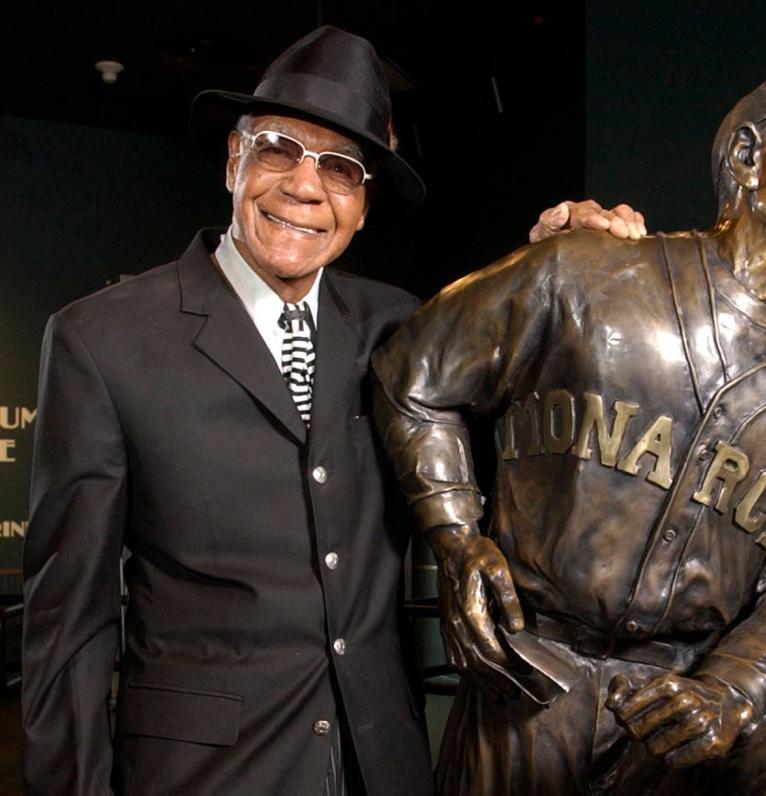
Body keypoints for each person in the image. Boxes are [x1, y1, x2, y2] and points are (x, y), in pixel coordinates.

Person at [20, 25, 641, 796]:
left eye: (341, 169)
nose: (306, 188)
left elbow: (532, 417)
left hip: (382, 769)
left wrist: (560, 267)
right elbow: (69, 628)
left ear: (362, 203)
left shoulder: (400, 326)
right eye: (278, 148)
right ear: (233, 161)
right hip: (202, 776)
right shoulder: (101, 340)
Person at [372, 59, 766, 794]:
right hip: (532, 677)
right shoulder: (586, 272)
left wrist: (732, 687)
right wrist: (455, 537)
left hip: (682, 704)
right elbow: (413, 376)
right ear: (747, 155)